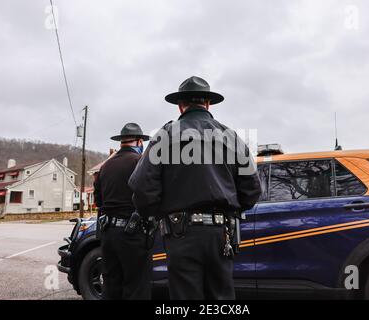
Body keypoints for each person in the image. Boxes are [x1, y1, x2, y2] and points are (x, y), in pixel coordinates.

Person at [128, 76, 262, 300]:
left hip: (181, 234)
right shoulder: (232, 137)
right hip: (222, 235)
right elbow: (252, 190)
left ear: (181, 106)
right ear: (208, 104)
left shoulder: (165, 135)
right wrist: (231, 208)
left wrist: (158, 213)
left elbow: (142, 188)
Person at [93, 123, 152, 300]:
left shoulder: (106, 166)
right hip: (132, 234)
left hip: (108, 234)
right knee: (137, 287)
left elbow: (98, 201)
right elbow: (149, 195)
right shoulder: (140, 162)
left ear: (121, 142)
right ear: (140, 142)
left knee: (111, 286)